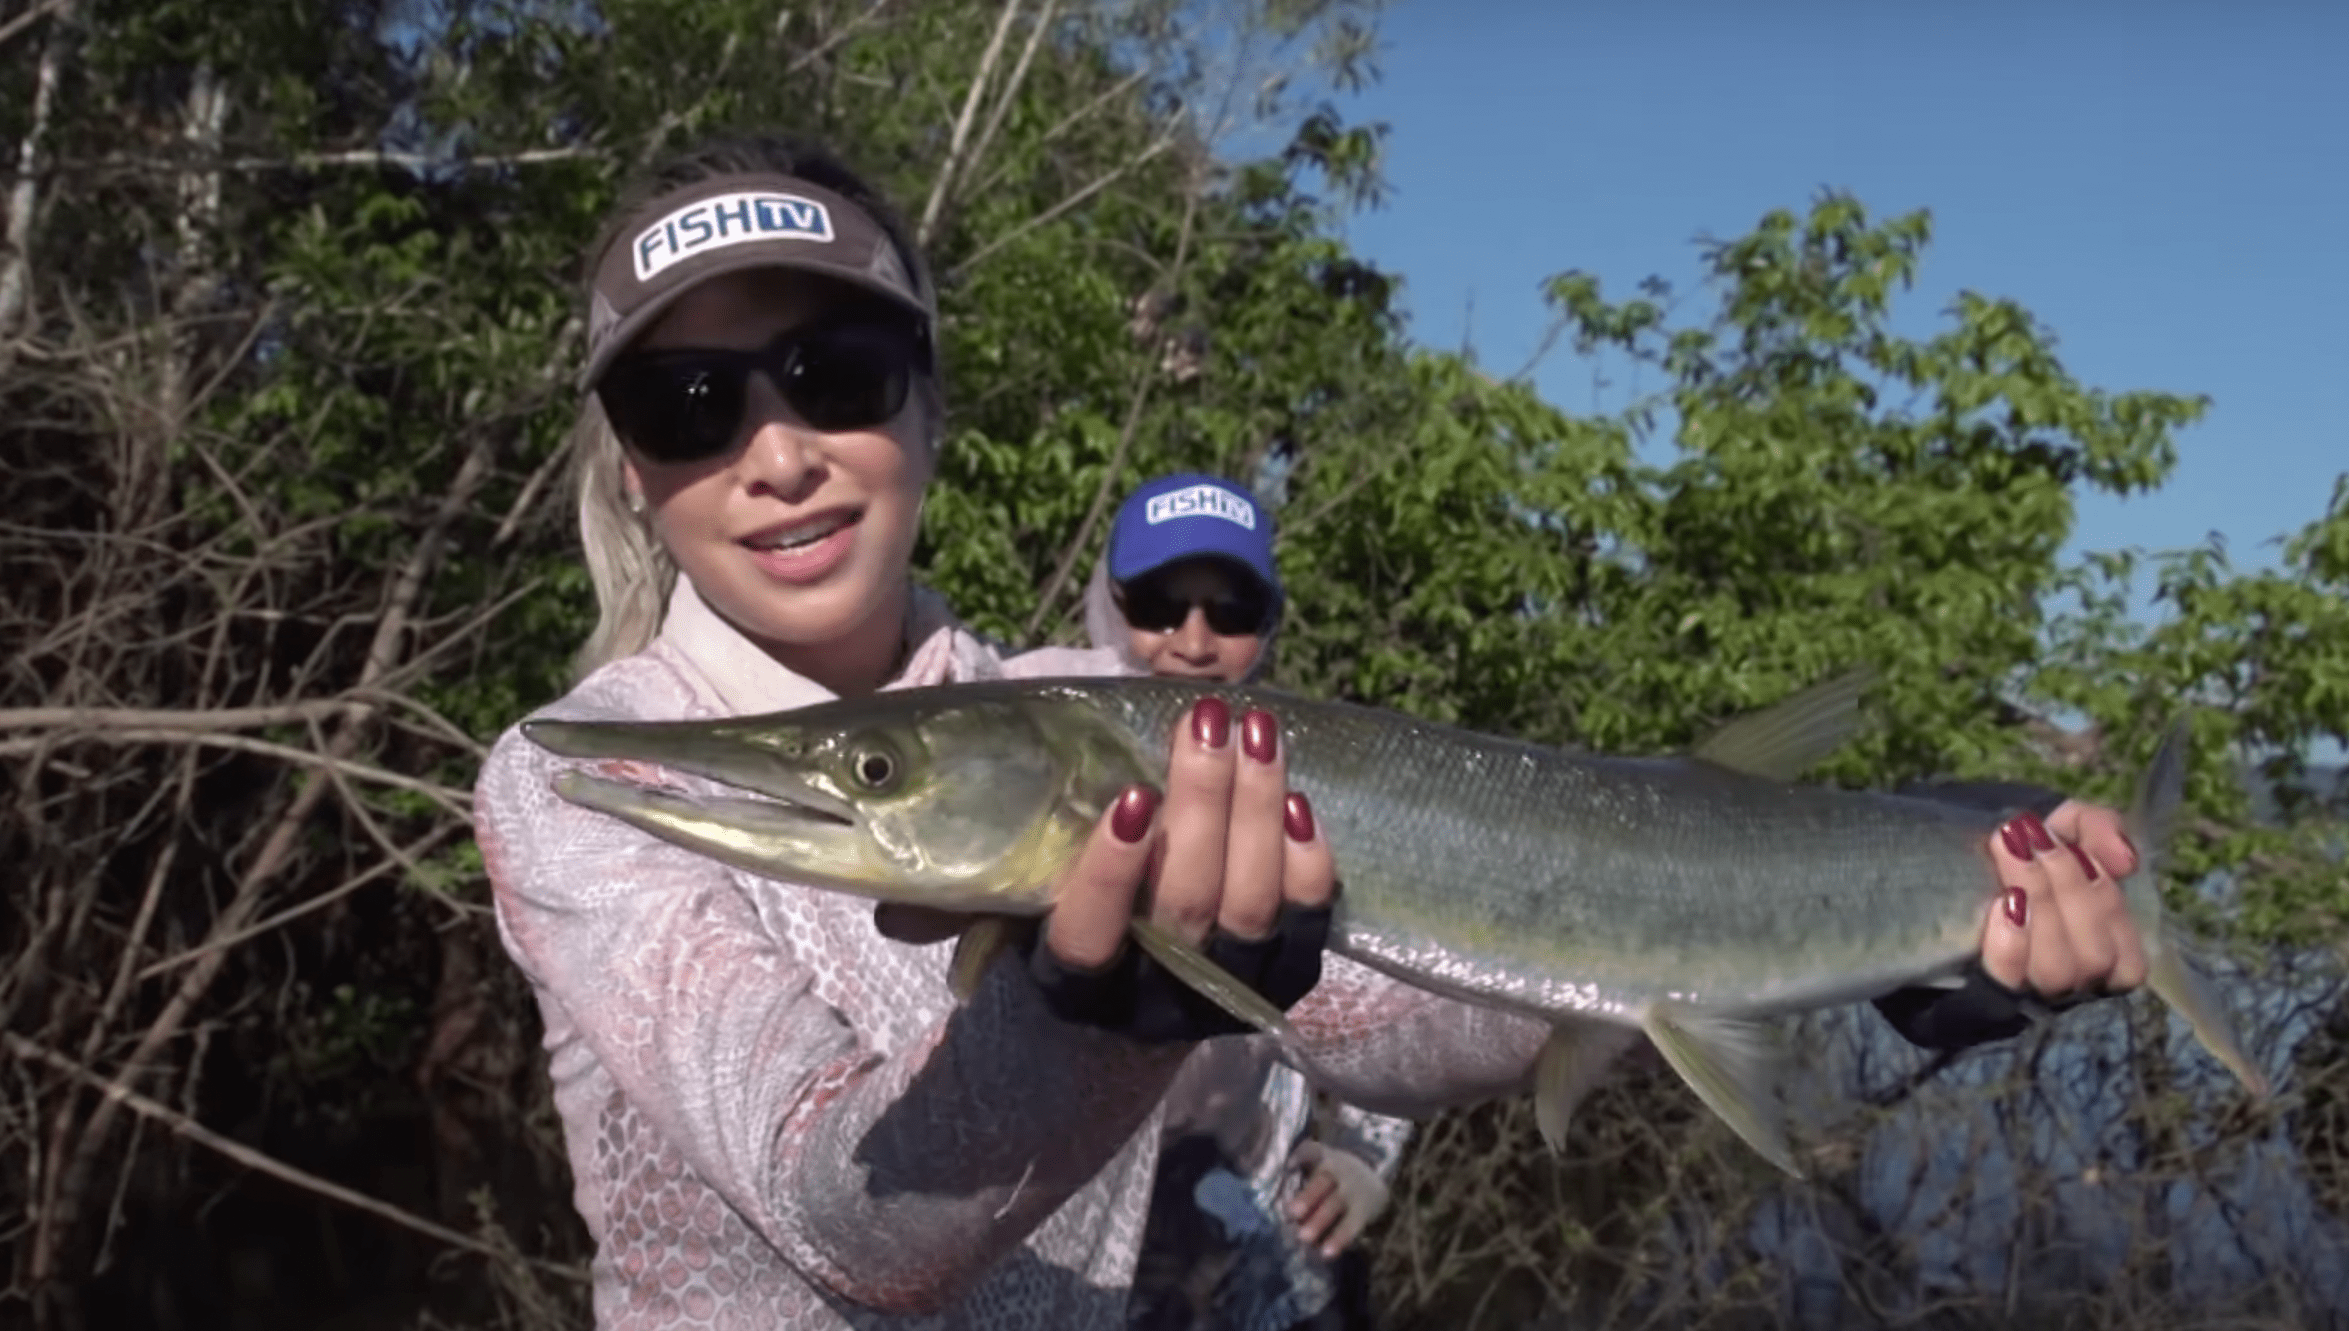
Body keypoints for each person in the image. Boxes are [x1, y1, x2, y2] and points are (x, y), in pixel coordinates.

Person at [472, 130, 2162, 1331]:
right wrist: (1090, 1014)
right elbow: (855, 1219)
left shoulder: (1106, 719)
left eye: (835, 368)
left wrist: (1910, 937)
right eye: (686, 403)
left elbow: (1395, 1016)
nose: (778, 451)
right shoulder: (584, 779)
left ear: (923, 399)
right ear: (628, 460)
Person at [1085, 472, 1412, 1331]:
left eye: (1229, 610)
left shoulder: (1308, 788)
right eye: (1159, 603)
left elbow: (1399, 971)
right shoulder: (1036, 770)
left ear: (1266, 626)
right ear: (1109, 607)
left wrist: (1365, 1154)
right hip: (1072, 1262)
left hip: (1259, 1263)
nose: (1192, 642)